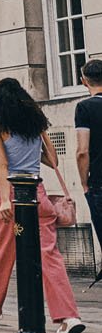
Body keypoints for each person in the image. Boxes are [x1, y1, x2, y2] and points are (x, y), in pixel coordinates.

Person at [0, 77, 83, 333]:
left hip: (12, 194)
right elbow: (52, 160)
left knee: (0, 255)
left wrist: (6, 200)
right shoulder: (36, 125)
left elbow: (3, 166)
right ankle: (68, 317)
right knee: (50, 256)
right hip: (37, 194)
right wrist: (34, 150)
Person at [74, 59, 102, 239]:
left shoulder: (84, 108)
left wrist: (84, 183)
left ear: (84, 81)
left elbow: (82, 151)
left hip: (99, 181)